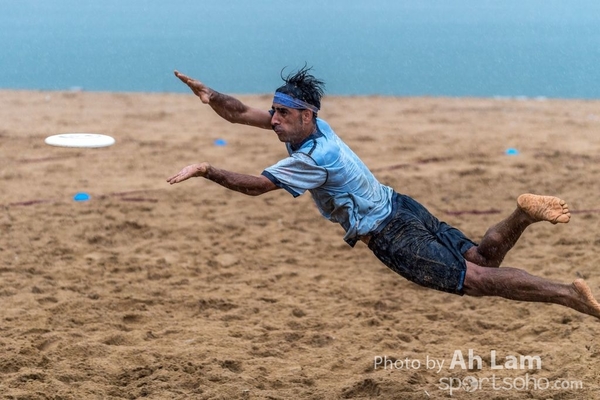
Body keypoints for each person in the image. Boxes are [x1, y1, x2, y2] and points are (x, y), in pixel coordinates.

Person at [167, 67, 600, 320]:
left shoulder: (315, 156)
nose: (274, 120)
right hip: (403, 205)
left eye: (281, 113)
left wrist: (207, 169)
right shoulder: (312, 125)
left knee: (481, 281)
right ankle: (522, 215)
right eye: (274, 111)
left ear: (305, 115)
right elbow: (241, 112)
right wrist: (210, 94)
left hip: (390, 232)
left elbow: (258, 186)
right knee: (483, 259)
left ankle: (568, 295)